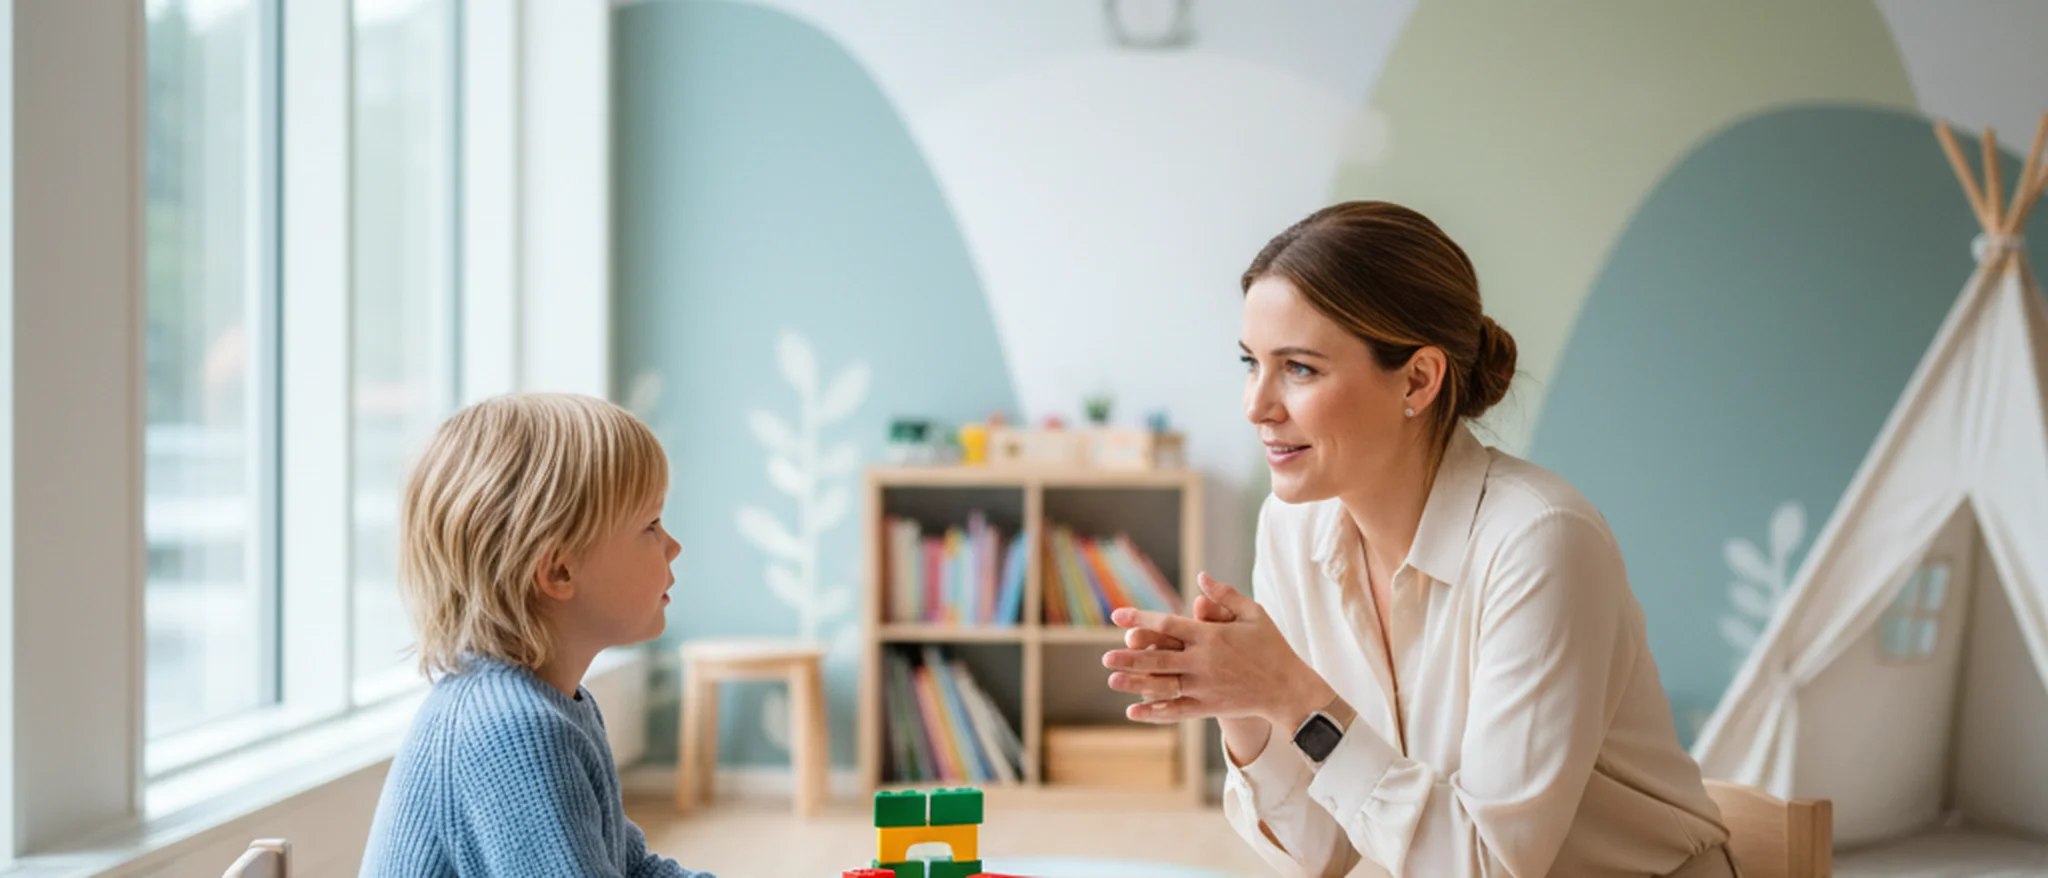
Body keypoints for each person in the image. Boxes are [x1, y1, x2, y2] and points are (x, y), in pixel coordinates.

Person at [1103, 202, 1737, 877]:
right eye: (1250, 362)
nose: (1257, 404)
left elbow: (1489, 866)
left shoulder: (1540, 542)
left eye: (1299, 368)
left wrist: (1291, 692)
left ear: (1417, 379)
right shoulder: (1294, 526)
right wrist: (1247, 707)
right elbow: (1324, 853)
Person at [361, 392, 715, 878]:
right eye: (651, 525)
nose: (672, 545)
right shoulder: (514, 729)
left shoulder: (557, 704)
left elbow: (633, 869)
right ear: (559, 571)